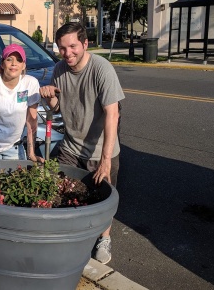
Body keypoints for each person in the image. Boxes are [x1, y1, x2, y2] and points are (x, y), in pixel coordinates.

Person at [39, 22, 125, 265]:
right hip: (70, 147)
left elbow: (112, 114)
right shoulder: (59, 69)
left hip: (101, 150)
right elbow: (57, 108)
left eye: (73, 46)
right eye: (62, 48)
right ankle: (71, 238)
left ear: (85, 44)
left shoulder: (102, 69)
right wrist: (51, 98)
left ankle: (104, 238)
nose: (68, 53)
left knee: (102, 202)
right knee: (63, 195)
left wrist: (106, 160)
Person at [0, 44, 44, 168]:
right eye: (9, 59)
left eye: (19, 60)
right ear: (3, 63)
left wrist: (31, 153)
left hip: (15, 147)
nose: (14, 63)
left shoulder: (30, 83)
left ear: (24, 65)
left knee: (15, 184)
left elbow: (31, 120)